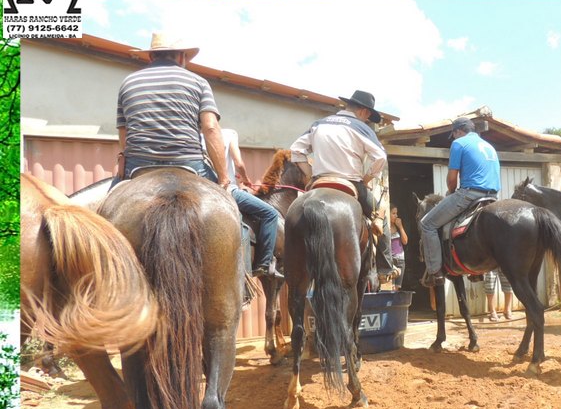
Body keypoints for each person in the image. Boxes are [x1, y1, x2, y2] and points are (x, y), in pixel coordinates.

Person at [289, 90, 398, 283]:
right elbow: (380, 157)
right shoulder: (361, 128)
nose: (367, 120)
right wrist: (366, 179)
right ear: (364, 111)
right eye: (368, 117)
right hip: (350, 182)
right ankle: (385, 268)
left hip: (319, 180)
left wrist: (309, 175)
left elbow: (296, 150)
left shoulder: (319, 124)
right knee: (381, 217)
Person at [114, 32, 228, 189]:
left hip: (138, 165)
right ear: (181, 57)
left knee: (106, 200)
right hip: (189, 163)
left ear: (151, 57)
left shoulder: (128, 82)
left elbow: (123, 130)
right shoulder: (199, 82)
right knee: (241, 201)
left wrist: (123, 159)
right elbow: (210, 128)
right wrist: (224, 178)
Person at [420, 116, 501, 287]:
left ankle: (435, 272)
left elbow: (452, 180)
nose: (454, 138)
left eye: (454, 135)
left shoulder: (459, 143)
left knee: (427, 224)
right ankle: (477, 270)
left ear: (458, 131)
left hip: (470, 194)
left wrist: (450, 193)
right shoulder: (489, 146)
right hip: (492, 197)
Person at [221, 129, 281, 278]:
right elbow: (239, 163)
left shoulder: (196, 135)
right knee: (271, 214)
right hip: (228, 191)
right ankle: (264, 264)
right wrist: (246, 178)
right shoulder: (229, 134)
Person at [390, 205, 408, 290]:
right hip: (390, 261)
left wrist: (400, 227)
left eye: (396, 213)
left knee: (397, 288)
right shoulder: (384, 227)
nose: (396, 216)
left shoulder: (397, 226)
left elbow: (405, 241)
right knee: (390, 287)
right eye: (393, 213)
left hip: (400, 260)